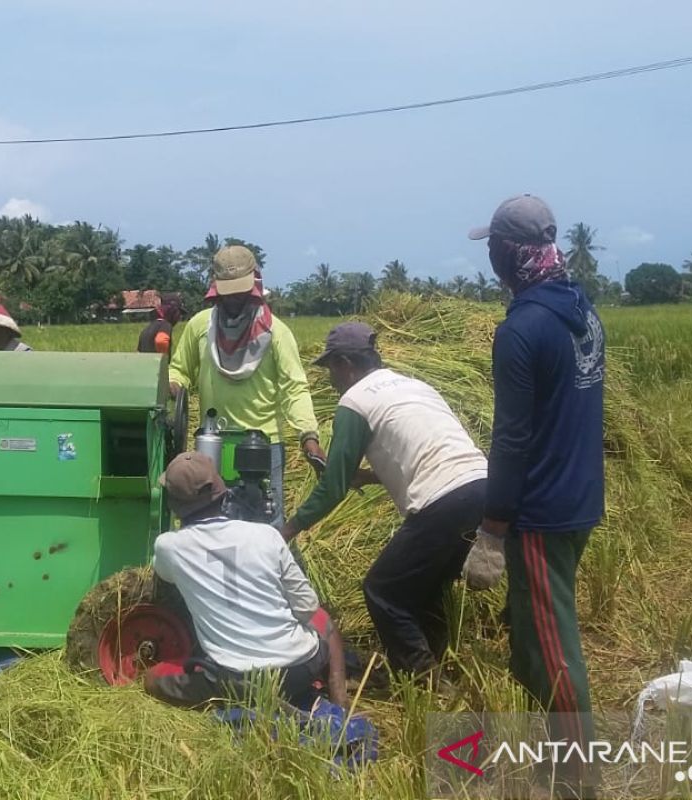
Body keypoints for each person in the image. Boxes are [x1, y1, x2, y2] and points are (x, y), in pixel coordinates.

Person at [467, 194, 605, 793]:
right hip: (581, 496)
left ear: (505, 256)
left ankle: (579, 776)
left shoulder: (520, 330)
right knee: (529, 636)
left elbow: (512, 439)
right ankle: (549, 758)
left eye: (493, 248)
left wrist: (492, 530)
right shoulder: (583, 311)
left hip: (542, 512)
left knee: (553, 646)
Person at [281, 322, 488, 678]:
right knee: (428, 586)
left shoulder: (355, 400)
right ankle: (441, 660)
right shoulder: (414, 385)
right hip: (483, 487)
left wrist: (289, 528)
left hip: (442, 500)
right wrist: (365, 476)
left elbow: (333, 486)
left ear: (346, 363)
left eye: (331, 367)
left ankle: (422, 678)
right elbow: (431, 453)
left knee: (382, 591)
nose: (331, 378)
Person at [145, 452, 346, 708]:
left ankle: (241, 700)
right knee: (321, 619)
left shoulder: (169, 547)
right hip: (297, 671)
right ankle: (339, 695)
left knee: (153, 679)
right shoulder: (267, 535)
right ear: (222, 490)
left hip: (235, 680)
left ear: (173, 504)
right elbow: (308, 608)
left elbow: (164, 576)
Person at [168, 246, 325, 525]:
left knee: (264, 526)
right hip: (212, 443)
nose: (234, 300)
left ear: (254, 284)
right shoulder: (200, 327)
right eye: (228, 292)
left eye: (240, 292)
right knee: (209, 525)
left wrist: (308, 436)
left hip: (263, 446)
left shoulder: (276, 333)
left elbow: (294, 388)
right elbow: (180, 369)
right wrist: (174, 384)